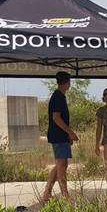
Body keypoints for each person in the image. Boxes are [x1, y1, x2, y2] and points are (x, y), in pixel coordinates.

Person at [41, 71, 79, 202]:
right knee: (61, 164)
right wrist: (70, 132)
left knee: (61, 164)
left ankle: (47, 192)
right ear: (67, 83)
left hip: (60, 135)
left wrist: (67, 134)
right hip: (58, 135)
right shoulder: (58, 96)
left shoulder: (60, 96)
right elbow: (56, 118)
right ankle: (64, 194)